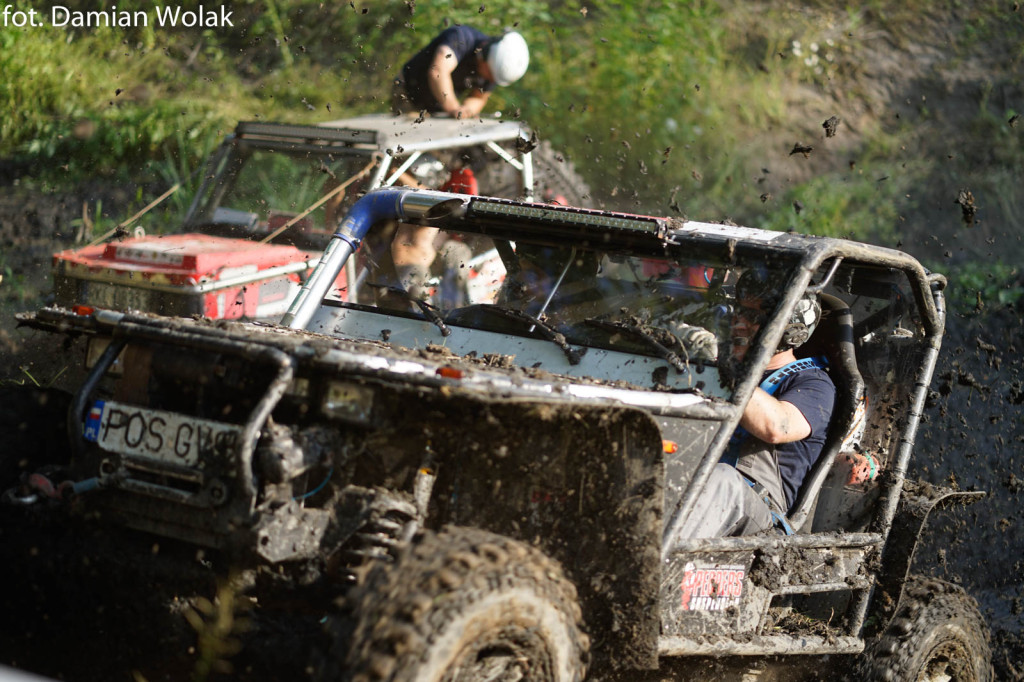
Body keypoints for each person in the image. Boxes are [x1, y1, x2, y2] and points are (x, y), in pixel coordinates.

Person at [672, 270, 836, 539]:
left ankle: (655, 572)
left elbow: (776, 426)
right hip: (691, 489)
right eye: (739, 311)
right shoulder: (710, 367)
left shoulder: (814, 384)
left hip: (757, 516)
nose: (738, 322)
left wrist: (727, 367)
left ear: (790, 330)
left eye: (754, 317)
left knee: (722, 479)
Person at [393, 26, 529, 118]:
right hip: (408, 93)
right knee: (407, 145)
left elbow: (478, 97)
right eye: (489, 74)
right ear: (487, 55)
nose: (489, 79)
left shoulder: (494, 69)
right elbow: (438, 72)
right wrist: (453, 108)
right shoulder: (462, 38)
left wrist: (465, 111)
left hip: (439, 108)